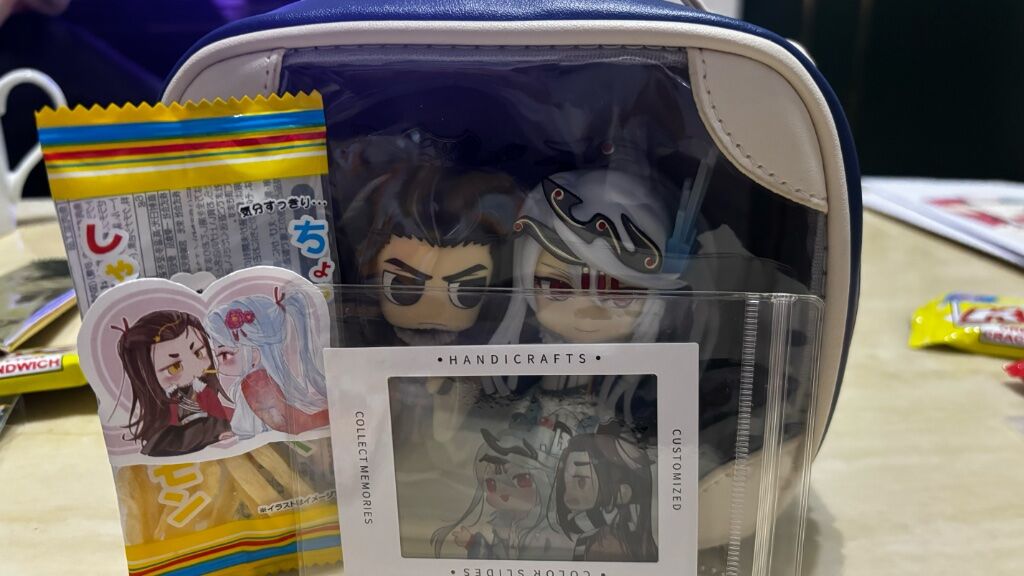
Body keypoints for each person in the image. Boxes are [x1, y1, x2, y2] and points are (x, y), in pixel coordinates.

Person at [206, 288, 328, 438]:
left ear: (254, 355)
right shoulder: (265, 382)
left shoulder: (254, 385)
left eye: (224, 355)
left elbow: (245, 430)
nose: (217, 363)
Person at [115, 310, 233, 456]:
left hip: (207, 427)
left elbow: (216, 410)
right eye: (174, 367)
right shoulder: (171, 397)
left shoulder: (204, 391)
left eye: (198, 353)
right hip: (180, 433)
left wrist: (223, 429)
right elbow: (170, 419)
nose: (194, 368)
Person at [553, 429, 658, 562]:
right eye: (565, 484)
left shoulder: (633, 525)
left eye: (581, 482)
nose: (566, 498)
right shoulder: (585, 540)